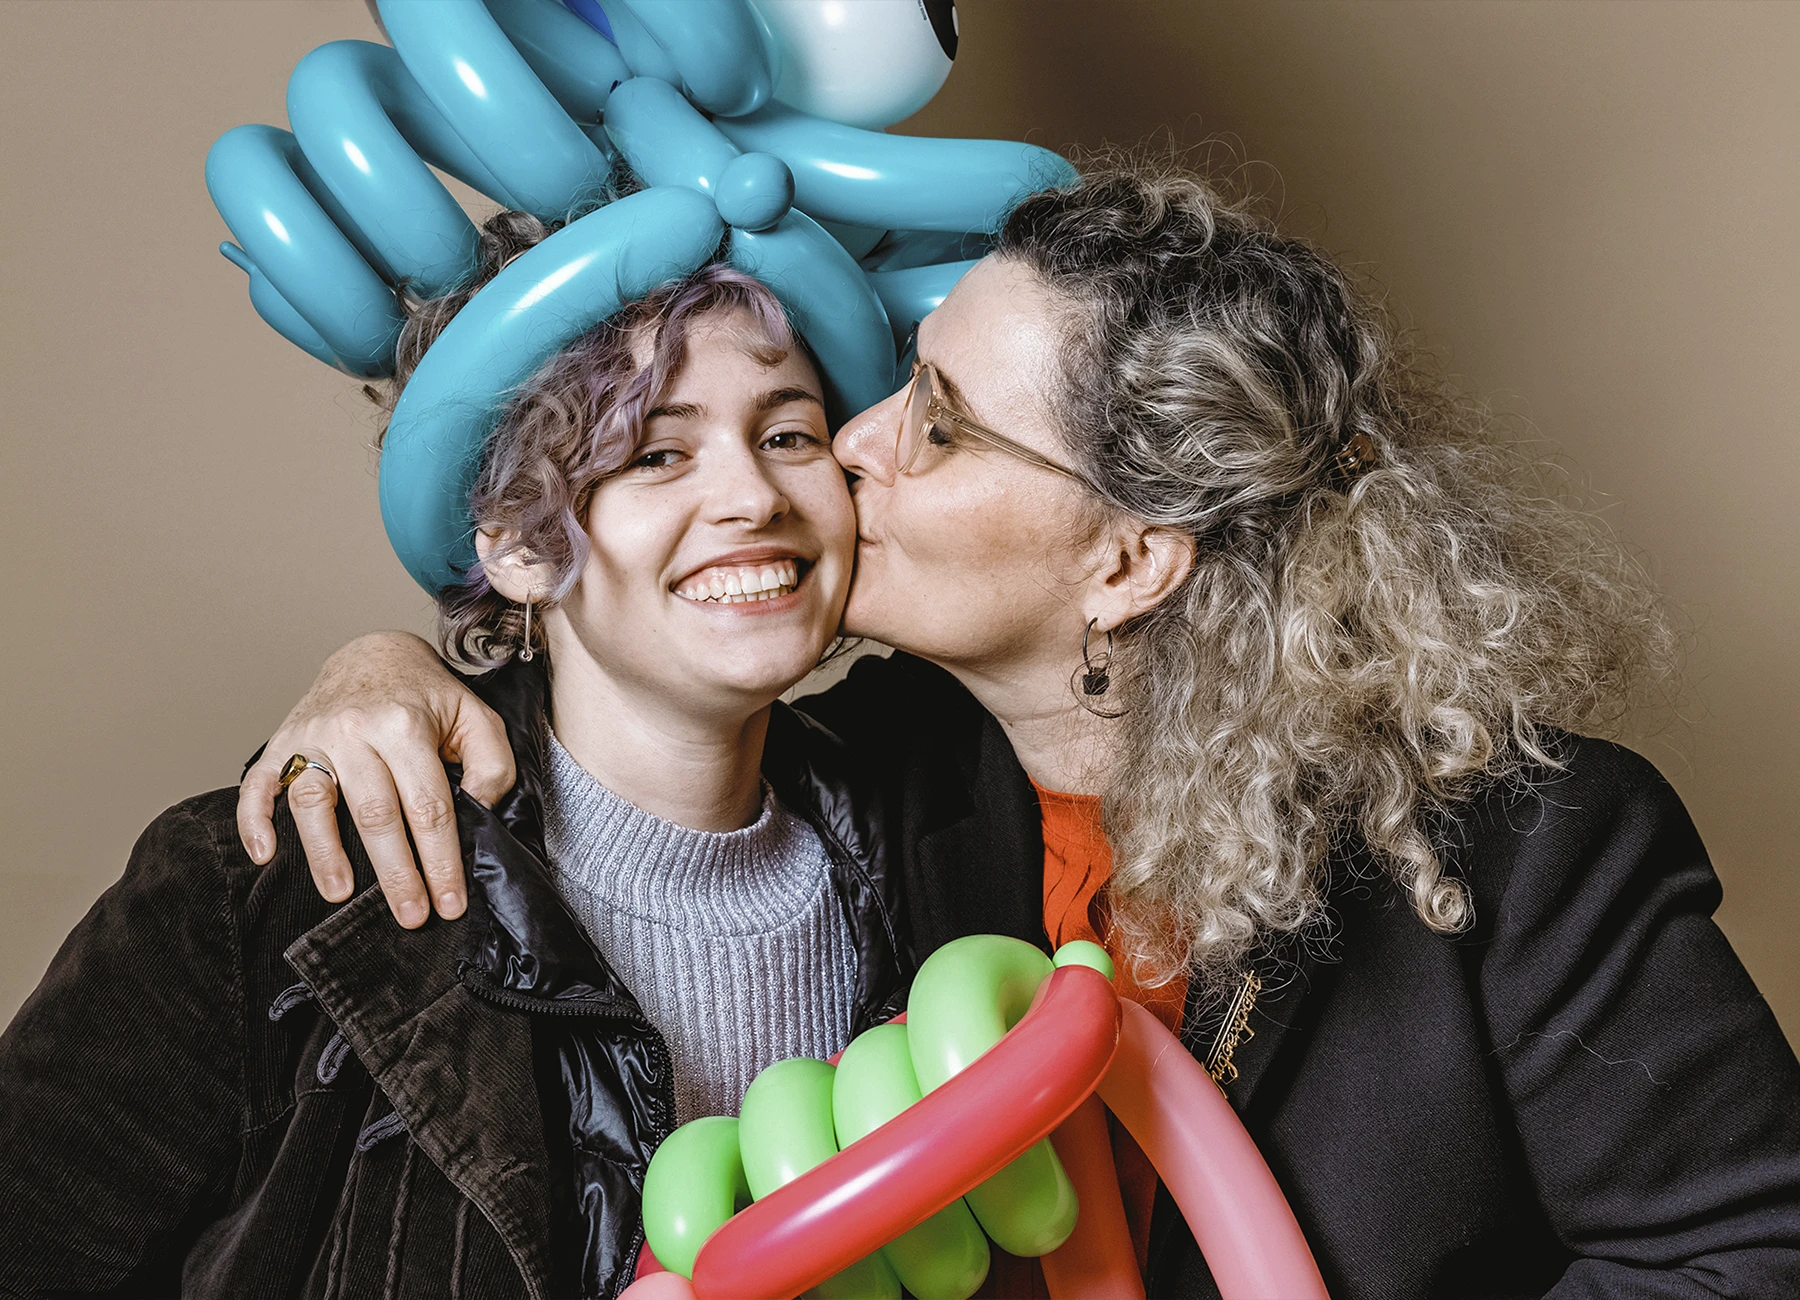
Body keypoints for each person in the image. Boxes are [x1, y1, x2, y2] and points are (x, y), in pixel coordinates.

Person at [244, 158, 1800, 1297]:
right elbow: (613, 700)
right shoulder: (870, 794)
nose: (853, 443)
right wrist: (382, 669)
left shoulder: (1526, 838)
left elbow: (1749, 1257)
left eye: (938, 420)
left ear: (1128, 559)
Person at [0, 234, 915, 1297]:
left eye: (791, 434)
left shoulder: (942, 834)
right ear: (520, 544)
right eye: (657, 454)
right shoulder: (268, 892)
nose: (754, 497)